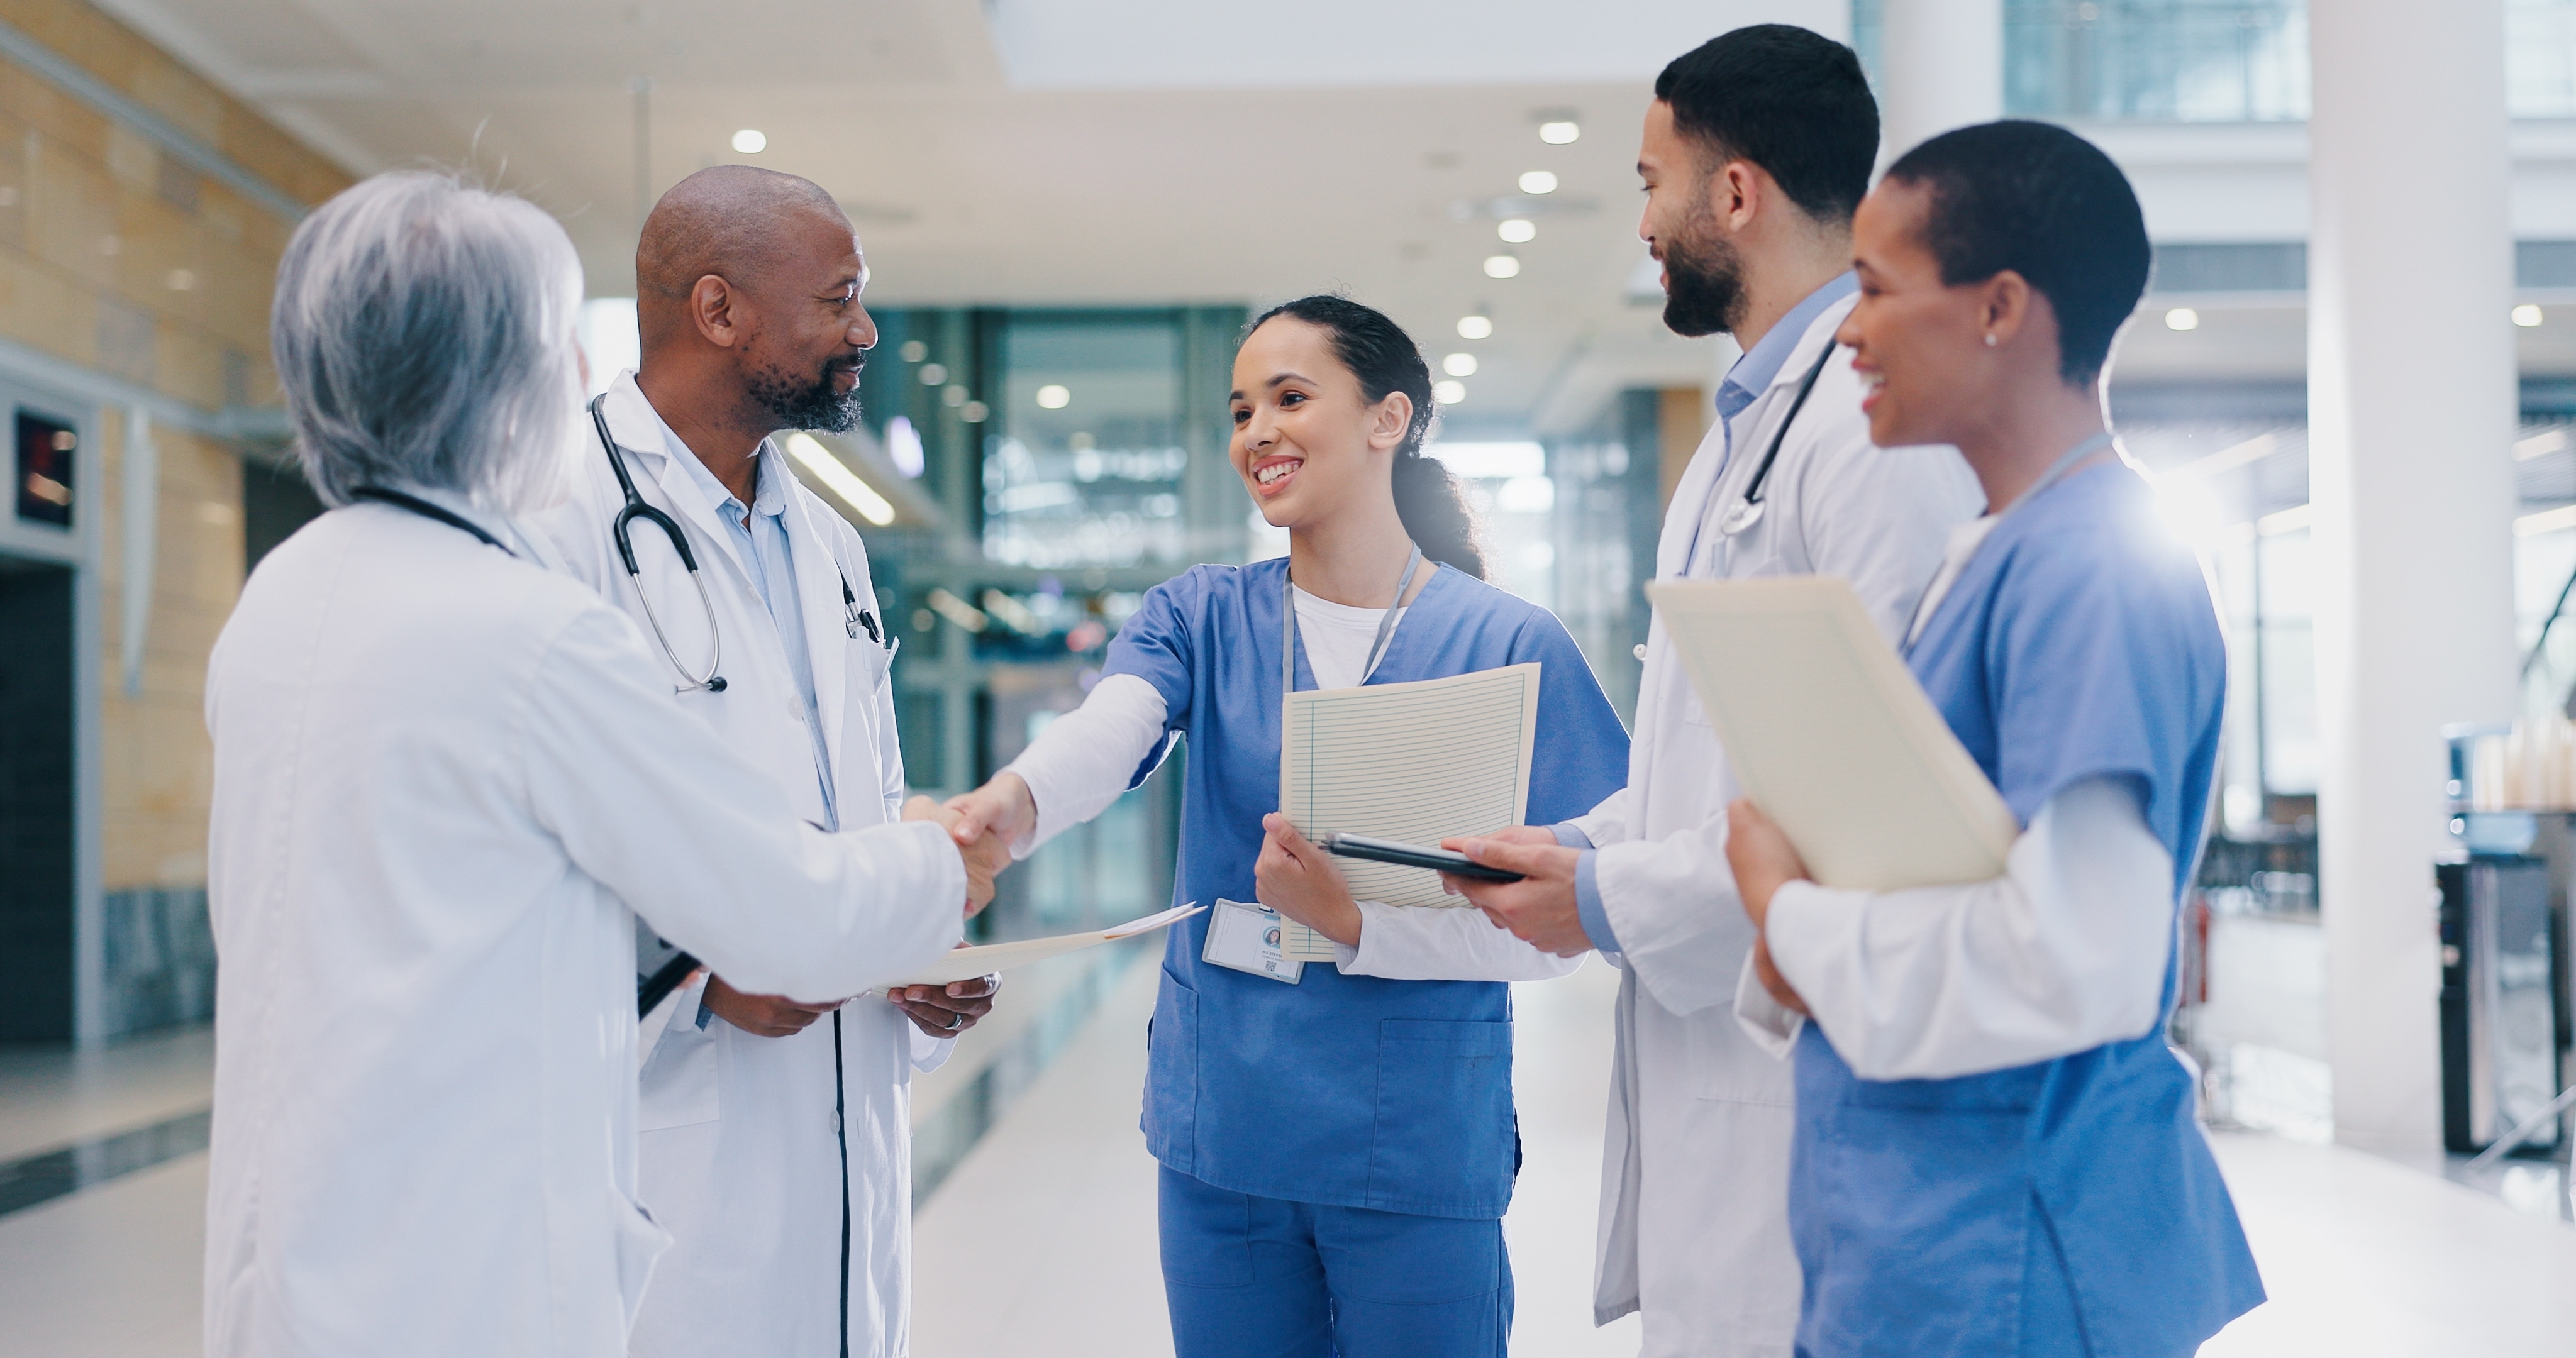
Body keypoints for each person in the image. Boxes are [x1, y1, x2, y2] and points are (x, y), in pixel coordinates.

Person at [201, 170, 1006, 1358]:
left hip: (349, 1223)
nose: (575, 370)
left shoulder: (290, 593)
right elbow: (775, 906)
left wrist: (903, 951)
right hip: (573, 1192)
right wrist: (950, 861)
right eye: (548, 344)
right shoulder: (527, 573)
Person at [943, 295, 1629, 1358]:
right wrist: (1010, 808)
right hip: (1227, 1135)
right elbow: (1113, 729)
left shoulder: (1509, 642)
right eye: (1239, 408)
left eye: (1291, 398)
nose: (1255, 431)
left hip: (1415, 1147)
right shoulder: (1201, 614)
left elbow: (1581, 909)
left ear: (1387, 420)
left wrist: (1357, 926)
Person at [1443, 26, 1980, 1357]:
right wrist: (1581, 849)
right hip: (1720, 1075)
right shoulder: (1744, 431)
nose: (1640, 224)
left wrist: (1601, 900)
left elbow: (1871, 801)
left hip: (1812, 1097)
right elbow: (1710, 762)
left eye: (1648, 182)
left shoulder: (1871, 428)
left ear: (1730, 194)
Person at [1721, 121, 2265, 1355]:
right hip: (1935, 1245)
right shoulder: (2003, 550)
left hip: (2014, 1259)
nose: (1844, 332)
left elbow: (2077, 963)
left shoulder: (2092, 572)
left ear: (1998, 308)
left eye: (1869, 289)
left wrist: (1783, 911)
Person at [525, 164, 992, 1358]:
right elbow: (515, 849)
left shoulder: (828, 541)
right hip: (667, 1142)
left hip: (844, 1147)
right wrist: (691, 985)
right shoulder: (555, 519)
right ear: (720, 311)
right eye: (838, 300)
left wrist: (914, 952)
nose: (865, 331)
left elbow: (861, 812)